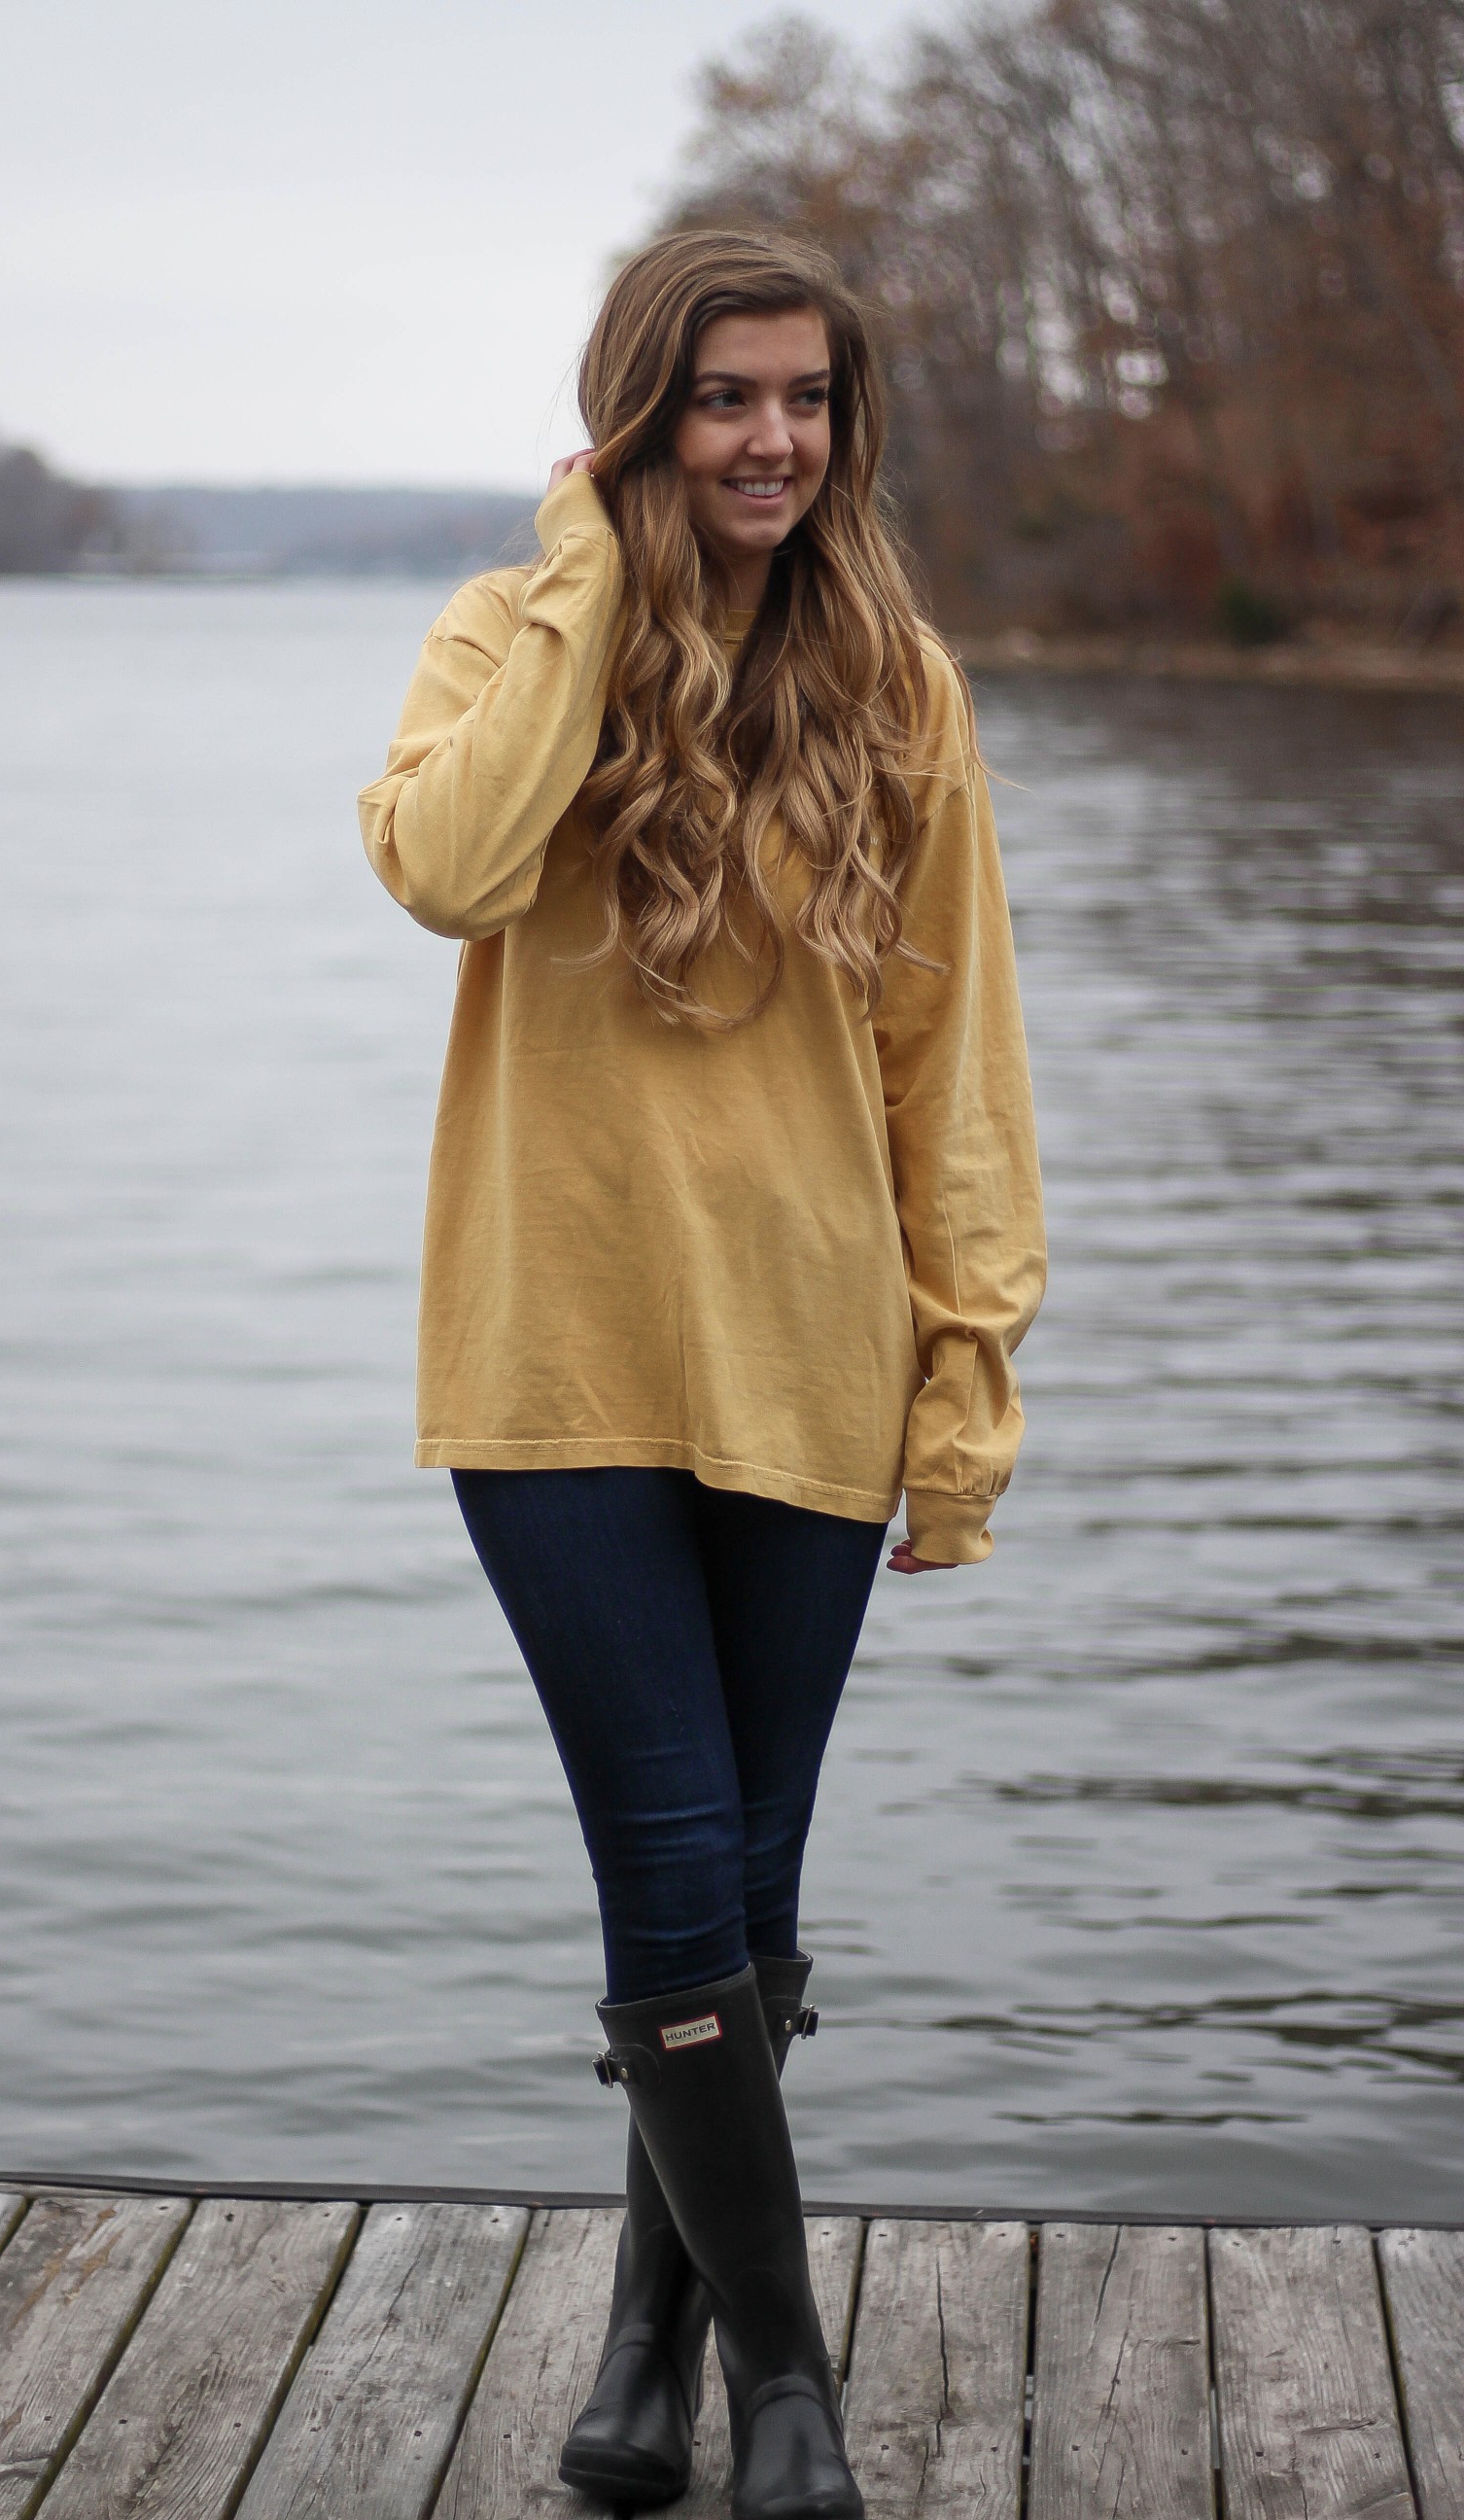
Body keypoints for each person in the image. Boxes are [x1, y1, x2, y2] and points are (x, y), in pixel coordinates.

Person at [359, 230, 1045, 2520]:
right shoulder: (508, 636)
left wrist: (966, 1371)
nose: (774, 441)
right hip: (553, 1367)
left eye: (810, 401)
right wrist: (583, 572)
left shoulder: (897, 683)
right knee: (674, 1884)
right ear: (641, 414)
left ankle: (650, 2361)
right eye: (727, 399)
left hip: (810, 1357)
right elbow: (448, 870)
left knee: (739, 1905)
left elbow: (960, 1067)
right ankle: (796, 2399)